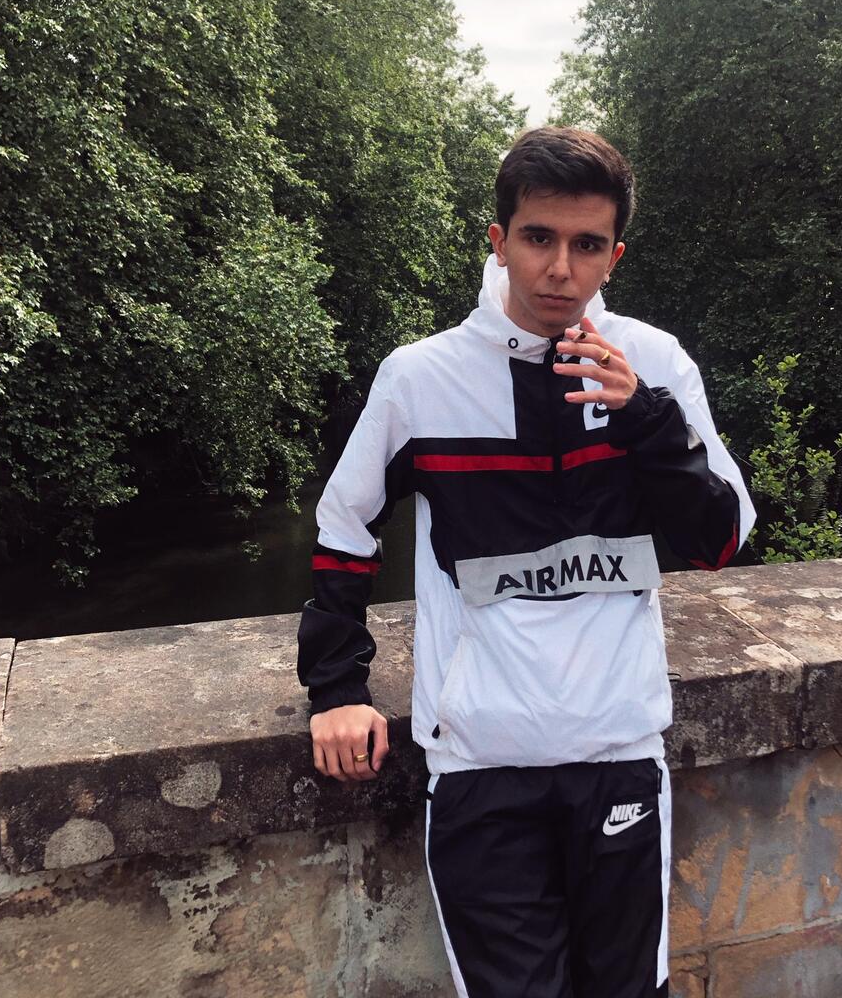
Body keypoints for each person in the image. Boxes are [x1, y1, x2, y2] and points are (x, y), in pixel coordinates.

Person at [296, 126, 756, 998]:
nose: (560, 269)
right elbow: (345, 525)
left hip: (618, 750)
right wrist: (338, 690)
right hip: (481, 764)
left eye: (587, 246)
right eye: (539, 238)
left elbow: (720, 542)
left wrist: (645, 418)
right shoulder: (421, 378)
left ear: (614, 256)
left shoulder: (655, 364)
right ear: (500, 240)